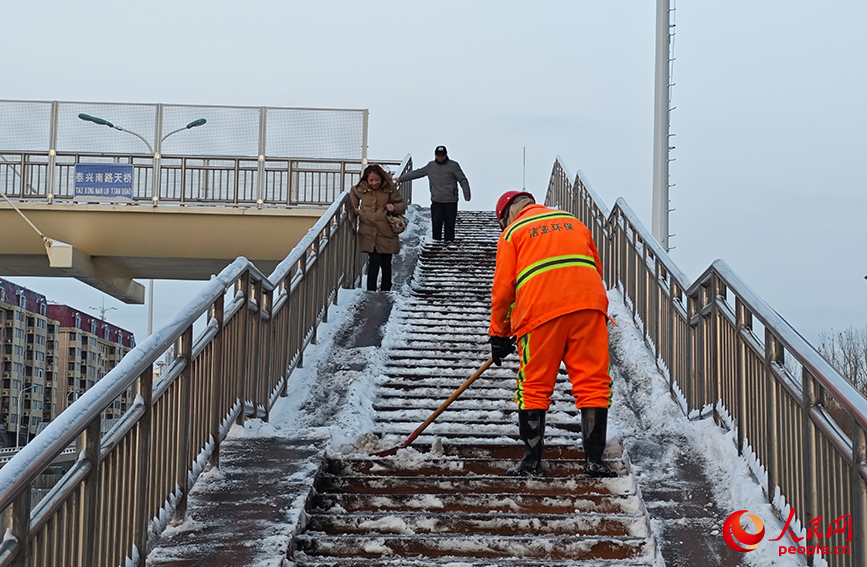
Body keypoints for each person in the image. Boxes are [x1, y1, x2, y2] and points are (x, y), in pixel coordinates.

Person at [488, 190, 616, 479]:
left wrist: (499, 333)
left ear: (506, 215)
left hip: (541, 312)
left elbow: (503, 290)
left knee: (534, 384)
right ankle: (595, 462)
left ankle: (531, 462)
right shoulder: (572, 221)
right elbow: (596, 266)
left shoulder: (513, 233)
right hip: (589, 305)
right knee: (593, 381)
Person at [350, 164, 407, 292]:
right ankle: (371, 290)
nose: (374, 183)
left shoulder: (389, 189)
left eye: (377, 180)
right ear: (366, 179)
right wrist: (354, 207)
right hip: (369, 229)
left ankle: (386, 289)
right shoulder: (361, 188)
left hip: (386, 230)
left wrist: (393, 208)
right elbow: (353, 193)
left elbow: (401, 204)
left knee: (386, 262)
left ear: (382, 178)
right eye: (371, 180)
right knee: (374, 261)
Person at [394, 146, 470, 241]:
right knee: (436, 222)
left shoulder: (453, 165)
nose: (440, 158)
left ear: (446, 155)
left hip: (451, 200)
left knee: (449, 224)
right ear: (435, 155)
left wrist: (467, 193)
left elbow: (462, 180)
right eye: (438, 156)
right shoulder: (431, 166)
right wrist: (400, 179)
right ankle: (436, 244)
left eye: (442, 156)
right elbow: (418, 173)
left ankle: (449, 244)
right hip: (436, 200)